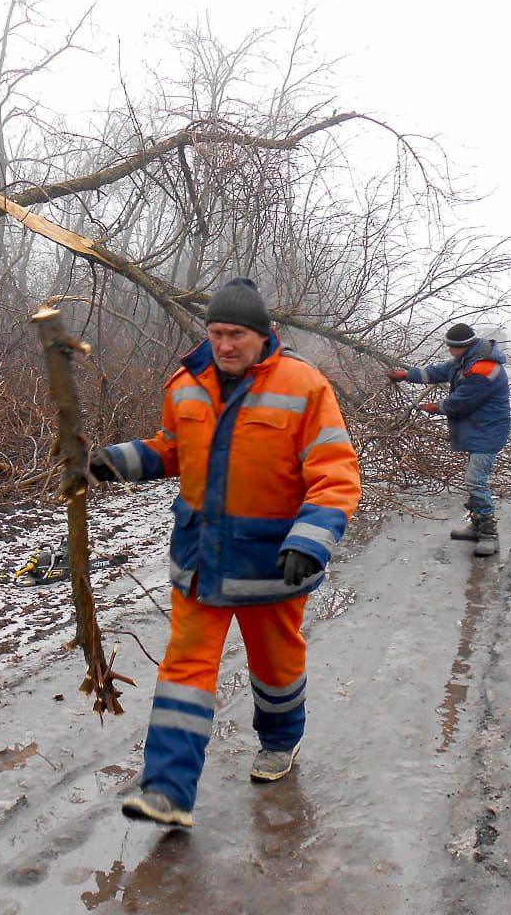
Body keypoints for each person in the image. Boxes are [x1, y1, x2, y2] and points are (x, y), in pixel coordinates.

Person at [91, 277, 361, 828]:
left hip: (272, 566)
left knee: (276, 668)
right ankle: (166, 791)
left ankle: (280, 741)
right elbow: (174, 450)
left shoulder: (304, 388)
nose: (225, 345)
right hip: (200, 562)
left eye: (236, 333)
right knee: (184, 670)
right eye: (216, 333)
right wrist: (120, 460)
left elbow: (334, 473)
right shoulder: (185, 385)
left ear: (265, 334)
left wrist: (311, 542)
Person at [386, 322, 510, 556]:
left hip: (488, 431)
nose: (449, 351)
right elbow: (437, 371)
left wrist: (435, 407)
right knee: (473, 480)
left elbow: (461, 402)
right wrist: (406, 375)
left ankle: (488, 534)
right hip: (478, 430)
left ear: (463, 346)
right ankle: (476, 525)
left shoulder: (484, 369)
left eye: (452, 347)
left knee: (475, 481)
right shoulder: (465, 360)